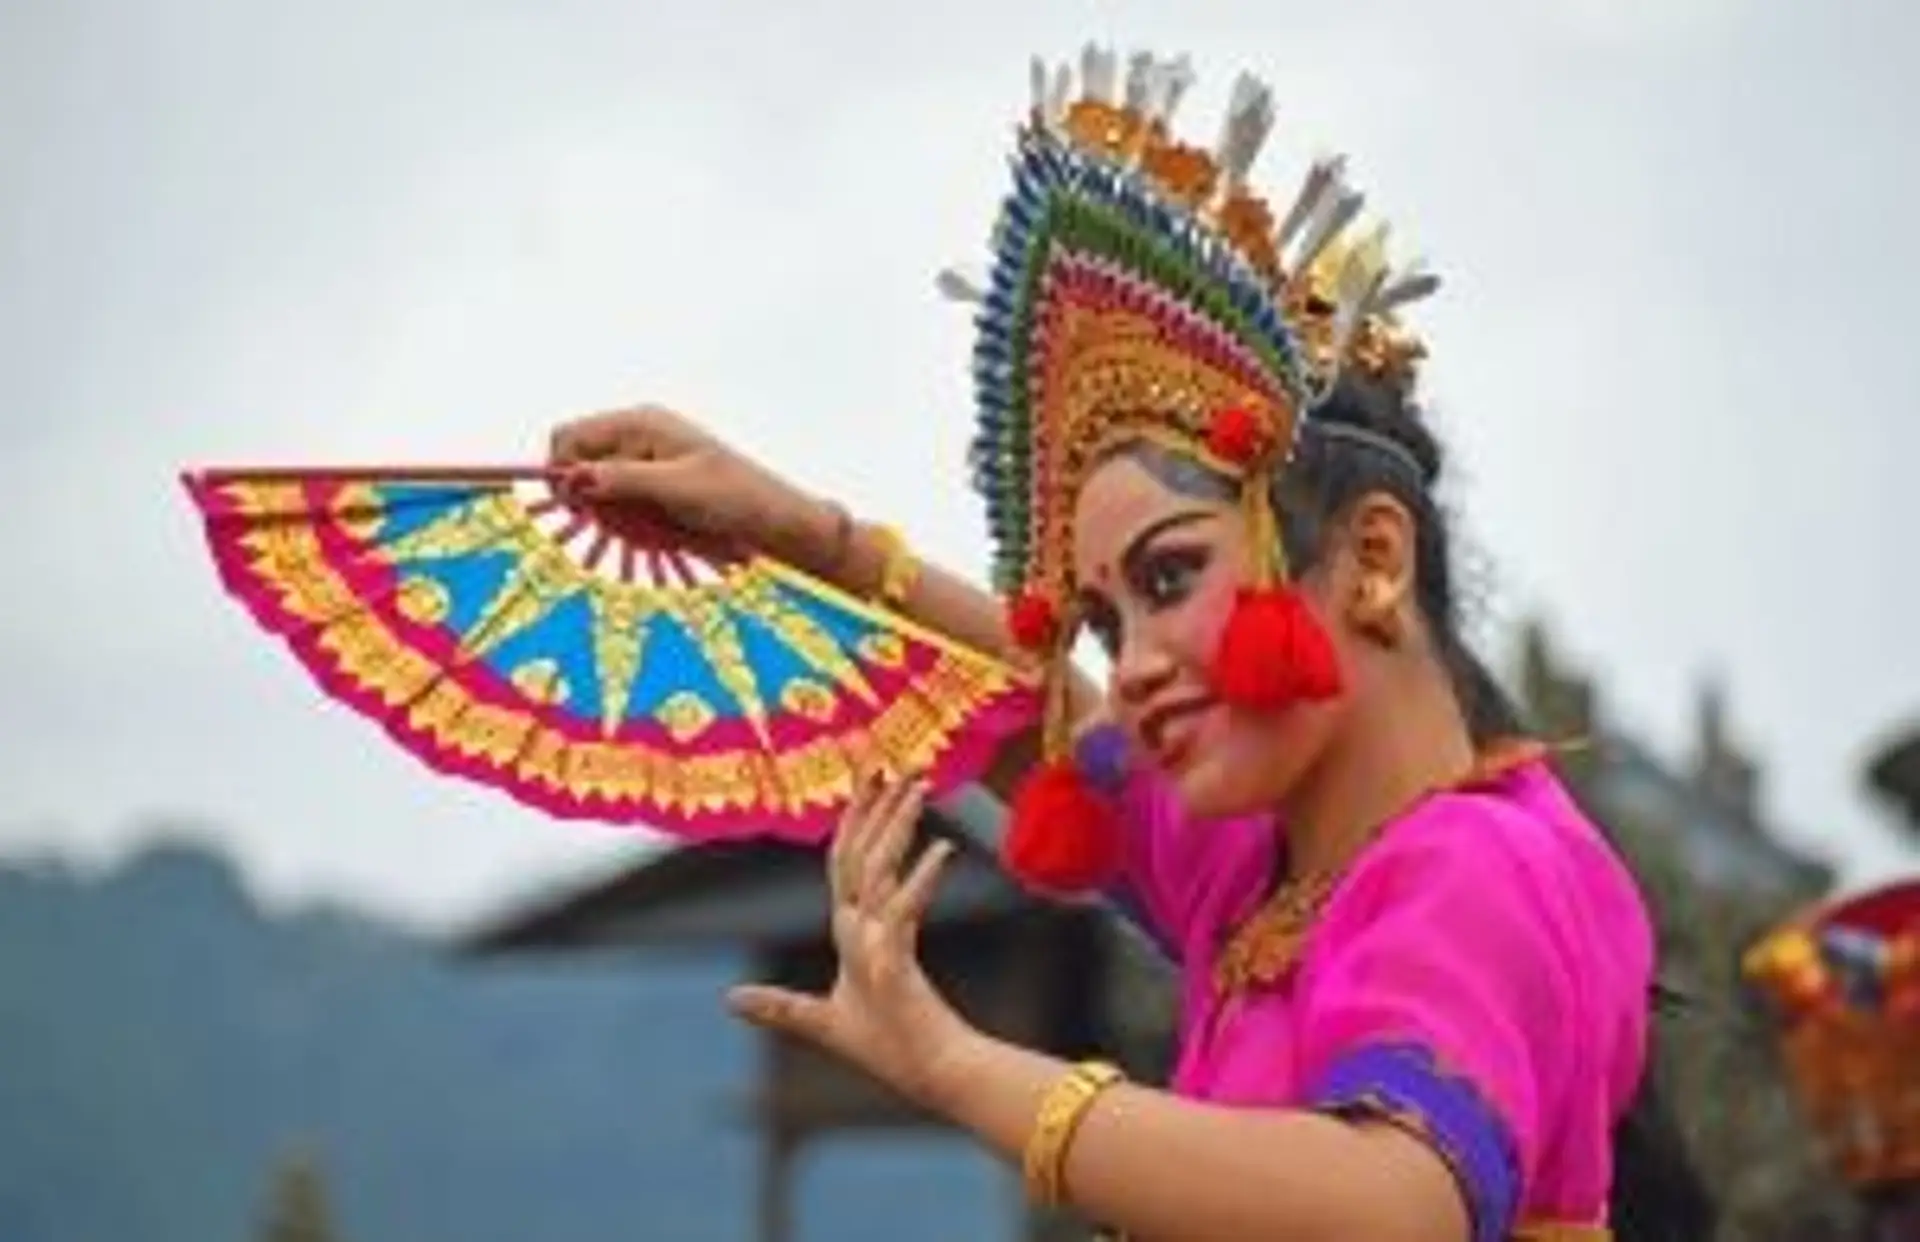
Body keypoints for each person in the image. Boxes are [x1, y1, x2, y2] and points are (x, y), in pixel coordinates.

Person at [547, 46, 1715, 1242]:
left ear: (1372, 558)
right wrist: (805, 536)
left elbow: (1391, 1206)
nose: (1133, 663)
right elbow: (1036, 717)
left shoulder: (1473, 863)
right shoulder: (1263, 872)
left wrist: (957, 1066)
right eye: (1105, 620)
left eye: (1172, 577)